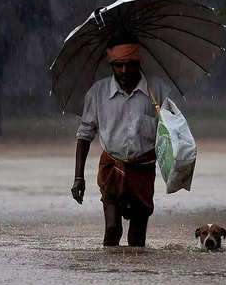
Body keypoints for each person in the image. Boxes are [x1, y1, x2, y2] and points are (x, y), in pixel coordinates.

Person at [71, 34, 169, 247]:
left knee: (137, 238)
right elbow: (84, 135)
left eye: (130, 65)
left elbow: (171, 134)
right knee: (112, 229)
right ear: (111, 65)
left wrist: (176, 171)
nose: (124, 71)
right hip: (112, 169)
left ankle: (136, 278)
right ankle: (110, 276)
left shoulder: (157, 92)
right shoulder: (98, 92)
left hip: (143, 168)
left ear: (138, 63)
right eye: (118, 65)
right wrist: (79, 177)